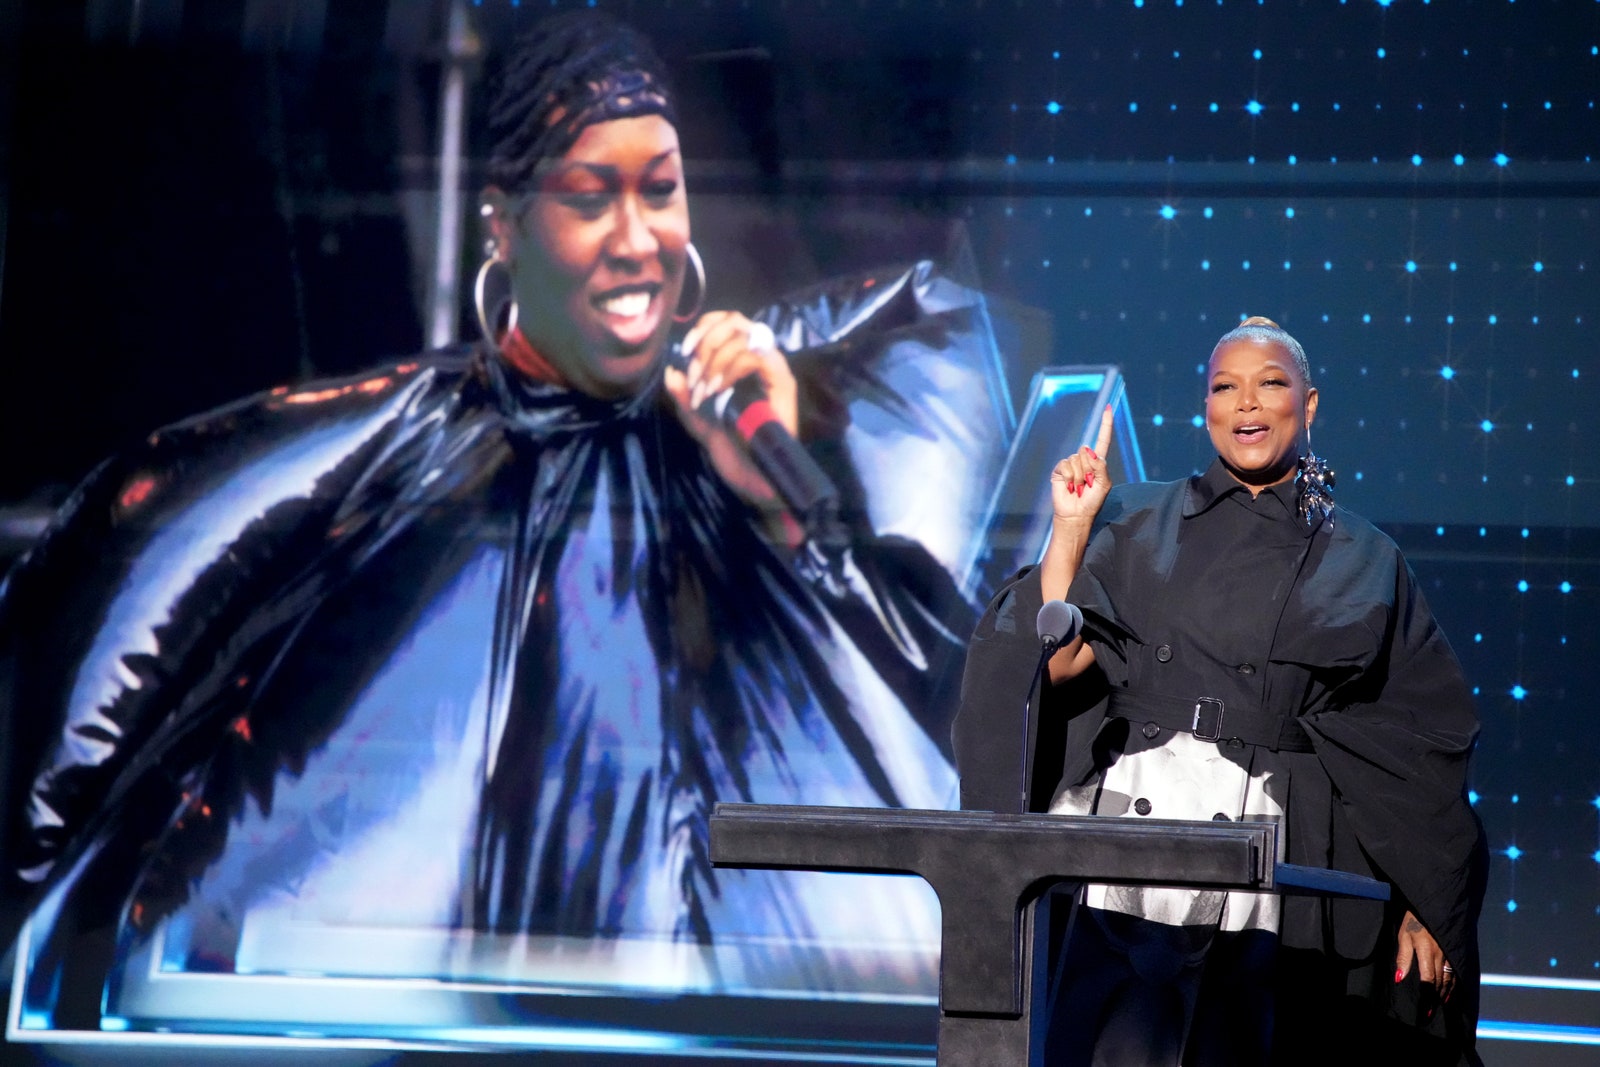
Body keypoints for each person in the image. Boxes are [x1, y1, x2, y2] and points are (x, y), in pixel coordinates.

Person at [0, 12, 1006, 1028]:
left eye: (660, 188)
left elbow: (952, 690)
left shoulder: (745, 413)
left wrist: (781, 501)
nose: (636, 237)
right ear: (503, 226)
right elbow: (129, 591)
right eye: (587, 196)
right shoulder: (408, 447)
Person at [952, 317, 1488, 1065]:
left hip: (1277, 854)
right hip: (1137, 845)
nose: (1247, 403)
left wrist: (1429, 905)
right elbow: (1053, 663)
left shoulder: (1365, 555)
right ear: (1204, 406)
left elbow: (1419, 739)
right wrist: (1072, 526)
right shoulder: (1136, 516)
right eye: (1225, 386)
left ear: (1309, 403)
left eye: (1270, 384)